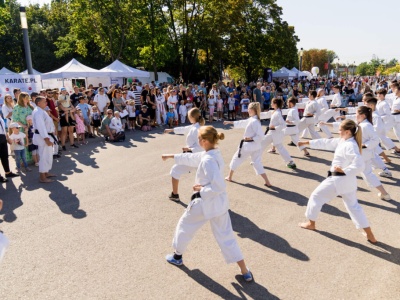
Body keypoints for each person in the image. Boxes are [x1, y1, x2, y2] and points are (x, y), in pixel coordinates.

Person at [162, 126, 253, 282]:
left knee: (184, 226)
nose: (197, 141)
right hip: (220, 205)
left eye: (199, 138)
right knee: (227, 237)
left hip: (204, 203)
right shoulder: (213, 154)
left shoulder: (208, 160)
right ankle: (245, 271)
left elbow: (219, 186)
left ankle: (177, 257)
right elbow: (192, 158)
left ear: (204, 141)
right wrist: (171, 156)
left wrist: (202, 189)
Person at [298, 119, 377, 244]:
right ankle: (370, 235)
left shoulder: (350, 145)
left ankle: (311, 223)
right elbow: (326, 143)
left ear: (347, 131)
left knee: (315, 197)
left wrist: (344, 171)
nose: (338, 132)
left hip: (338, 180)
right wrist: (307, 142)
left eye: (340, 130)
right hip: (348, 182)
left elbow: (359, 164)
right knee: (354, 207)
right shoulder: (345, 141)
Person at [224, 102, 271, 186]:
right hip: (255, 146)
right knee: (257, 163)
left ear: (253, 110)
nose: (247, 110)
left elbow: (261, 136)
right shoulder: (253, 120)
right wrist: (230, 122)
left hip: (248, 146)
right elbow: (243, 122)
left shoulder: (254, 121)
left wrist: (251, 138)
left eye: (249, 109)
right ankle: (267, 181)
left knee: (236, 158)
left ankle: (229, 177)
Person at [164, 108, 205, 202]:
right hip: (194, 157)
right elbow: (184, 129)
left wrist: (189, 149)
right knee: (205, 179)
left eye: (188, 116)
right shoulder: (194, 126)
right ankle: (213, 198)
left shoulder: (196, 129)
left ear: (192, 117)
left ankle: (175, 195)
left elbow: (201, 147)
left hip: (194, 157)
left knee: (175, 170)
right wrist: (171, 130)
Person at [261, 98, 297, 169]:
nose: (271, 104)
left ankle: (256, 160)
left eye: (272, 103)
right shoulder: (276, 111)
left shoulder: (277, 113)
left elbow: (283, 124)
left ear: (275, 104)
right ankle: (291, 162)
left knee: (261, 144)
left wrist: (274, 127)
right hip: (274, 133)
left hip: (273, 133)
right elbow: (266, 114)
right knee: (280, 148)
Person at [32, 97, 57, 183]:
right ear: (38, 103)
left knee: (48, 156)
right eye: (44, 102)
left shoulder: (41, 111)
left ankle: (46, 172)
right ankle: (42, 177)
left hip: (47, 135)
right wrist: (46, 139)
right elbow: (41, 127)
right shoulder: (38, 112)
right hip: (43, 137)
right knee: (43, 156)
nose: (46, 103)